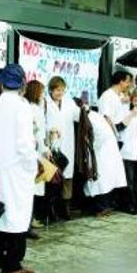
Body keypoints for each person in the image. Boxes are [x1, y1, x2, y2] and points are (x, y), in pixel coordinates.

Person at [0, 64, 39, 273]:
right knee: (17, 215)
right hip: (18, 168)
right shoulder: (22, 106)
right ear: (22, 84)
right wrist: (31, 165)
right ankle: (12, 265)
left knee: (0, 213)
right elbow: (25, 143)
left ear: (0, 82)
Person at [45, 76, 79, 220]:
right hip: (51, 143)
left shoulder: (69, 102)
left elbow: (78, 116)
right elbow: (42, 121)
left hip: (67, 142)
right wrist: (49, 130)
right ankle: (51, 208)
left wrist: (84, 108)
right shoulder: (45, 103)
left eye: (62, 90)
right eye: (57, 90)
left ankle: (65, 206)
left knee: (67, 177)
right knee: (52, 176)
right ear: (51, 90)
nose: (60, 93)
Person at [84, 107, 127, 216]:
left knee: (101, 181)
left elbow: (99, 137)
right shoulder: (95, 116)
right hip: (107, 151)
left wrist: (91, 147)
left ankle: (102, 207)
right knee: (107, 181)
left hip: (102, 152)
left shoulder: (91, 119)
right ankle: (104, 206)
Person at [23, 80, 49, 227]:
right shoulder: (33, 109)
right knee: (33, 187)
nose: (42, 96)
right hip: (35, 152)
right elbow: (38, 131)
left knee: (34, 187)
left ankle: (30, 219)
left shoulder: (32, 107)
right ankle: (29, 220)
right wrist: (45, 149)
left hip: (36, 150)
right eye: (41, 92)